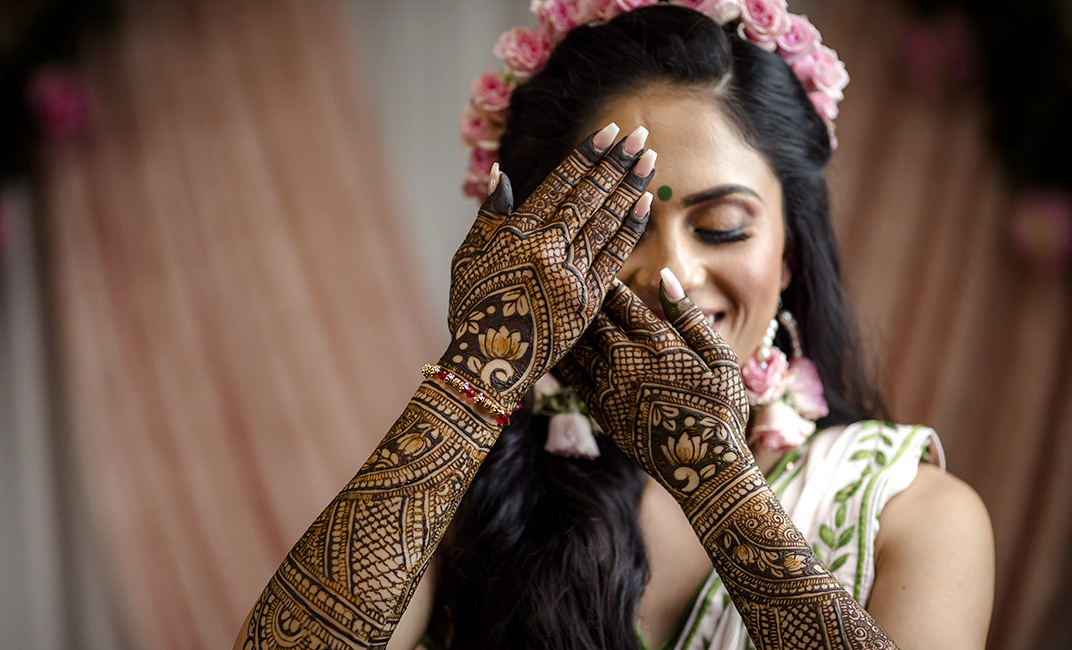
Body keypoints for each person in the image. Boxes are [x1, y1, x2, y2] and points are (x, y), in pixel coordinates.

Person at [233, 4, 993, 649]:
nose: (674, 277)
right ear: (537, 249)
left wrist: (712, 477)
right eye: (618, 230)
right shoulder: (460, 485)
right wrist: (475, 377)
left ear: (790, 253)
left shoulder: (908, 513)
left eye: (723, 227)